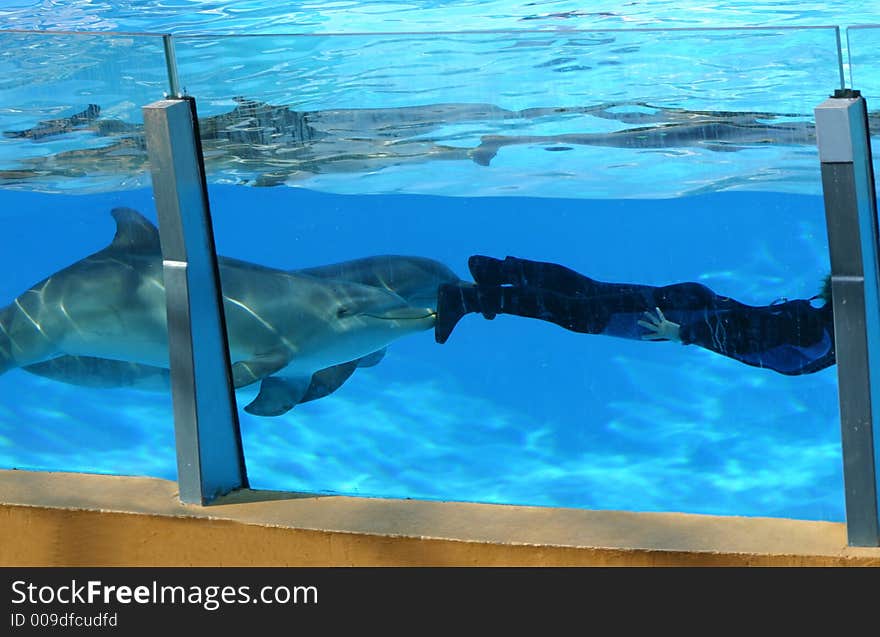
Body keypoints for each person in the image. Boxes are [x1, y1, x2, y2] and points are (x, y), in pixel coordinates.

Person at [434, 255, 835, 376]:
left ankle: (500, 272)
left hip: (696, 305)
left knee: (587, 295)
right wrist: (684, 333)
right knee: (580, 315)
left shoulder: (830, 334)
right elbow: (752, 332)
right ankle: (467, 300)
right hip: (685, 315)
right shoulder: (822, 340)